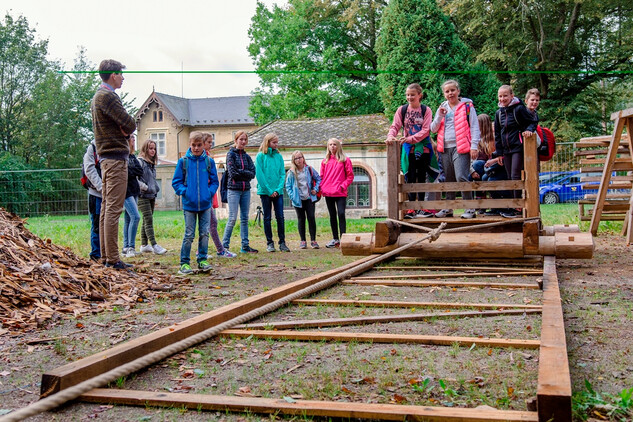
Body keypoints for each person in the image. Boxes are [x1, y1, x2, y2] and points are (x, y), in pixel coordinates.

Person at [91, 59, 136, 269]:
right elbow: (130, 123)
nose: (123, 78)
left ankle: (106, 256)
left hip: (107, 159)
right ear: (112, 75)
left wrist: (124, 128)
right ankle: (113, 259)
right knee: (114, 209)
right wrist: (125, 129)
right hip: (115, 158)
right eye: (120, 74)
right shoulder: (108, 97)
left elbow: (125, 125)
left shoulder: (98, 96)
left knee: (107, 207)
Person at [430, 79, 481, 219]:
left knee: (461, 177)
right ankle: (448, 209)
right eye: (447, 91)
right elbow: (433, 129)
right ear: (444, 94)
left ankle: (470, 209)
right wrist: (440, 115)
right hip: (444, 148)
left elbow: (475, 127)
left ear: (458, 91)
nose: (450, 93)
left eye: (453, 90)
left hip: (461, 147)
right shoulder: (442, 107)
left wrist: (474, 146)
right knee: (448, 179)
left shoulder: (467, 107)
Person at [386, 83, 434, 218]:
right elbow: (395, 125)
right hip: (409, 149)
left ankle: (422, 207)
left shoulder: (426, 110)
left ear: (420, 95)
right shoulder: (402, 110)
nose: (409, 97)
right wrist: (391, 136)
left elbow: (426, 130)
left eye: (412, 94)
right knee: (410, 176)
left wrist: (411, 138)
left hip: (423, 148)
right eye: (407, 94)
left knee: (422, 176)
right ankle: (412, 208)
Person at [172, 131, 217, 274]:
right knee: (189, 234)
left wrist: (208, 192)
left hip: (205, 204)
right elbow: (176, 182)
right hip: (189, 205)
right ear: (189, 144)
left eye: (199, 145)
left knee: (204, 233)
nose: (196, 148)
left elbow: (215, 181)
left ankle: (202, 260)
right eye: (193, 145)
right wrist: (185, 192)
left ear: (203, 145)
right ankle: (184, 263)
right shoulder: (183, 162)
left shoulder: (209, 162)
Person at [495, 84, 538, 218]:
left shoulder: (519, 108)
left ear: (512, 96)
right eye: (500, 96)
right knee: (509, 176)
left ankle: (518, 207)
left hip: (518, 147)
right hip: (506, 149)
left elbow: (533, 120)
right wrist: (499, 153)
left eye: (505, 96)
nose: (502, 99)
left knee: (515, 175)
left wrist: (529, 130)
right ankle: (513, 205)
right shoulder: (499, 112)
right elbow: (497, 133)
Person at [222, 131, 258, 253]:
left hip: (245, 191)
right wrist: (244, 172)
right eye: (241, 139)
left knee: (244, 218)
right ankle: (224, 246)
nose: (243, 142)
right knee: (232, 218)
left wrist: (241, 172)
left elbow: (253, 173)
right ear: (236, 140)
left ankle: (245, 245)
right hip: (233, 190)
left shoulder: (247, 157)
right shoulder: (230, 155)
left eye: (245, 140)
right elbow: (232, 173)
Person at [202, 132, 236, 258]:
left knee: (210, 223)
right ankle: (217, 250)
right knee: (210, 223)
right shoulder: (202, 158)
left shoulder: (208, 157)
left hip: (209, 194)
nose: (211, 144)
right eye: (209, 142)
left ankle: (217, 249)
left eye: (212, 142)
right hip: (204, 195)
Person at [256, 133, 290, 252]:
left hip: (278, 192)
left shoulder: (279, 157)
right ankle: (270, 243)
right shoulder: (260, 156)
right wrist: (269, 191)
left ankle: (282, 242)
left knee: (280, 216)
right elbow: (260, 175)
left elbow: (282, 174)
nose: (276, 145)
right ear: (268, 142)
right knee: (267, 217)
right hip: (265, 192)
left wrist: (278, 189)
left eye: (277, 142)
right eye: (274, 142)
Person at [469, 114, 508, 216]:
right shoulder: (476, 139)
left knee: (480, 169)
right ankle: (477, 204)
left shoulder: (493, 139)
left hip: (493, 166)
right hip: (481, 167)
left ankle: (483, 204)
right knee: (474, 171)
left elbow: (494, 156)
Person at [320, 138, 354, 248]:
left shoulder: (345, 160)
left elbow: (350, 176)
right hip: (328, 192)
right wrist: (322, 188)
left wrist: (342, 186)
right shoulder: (324, 161)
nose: (332, 146)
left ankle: (343, 237)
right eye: (330, 144)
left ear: (338, 146)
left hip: (340, 192)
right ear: (328, 146)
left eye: (334, 144)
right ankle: (335, 239)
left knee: (341, 213)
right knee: (332, 215)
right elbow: (321, 176)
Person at [285, 150, 321, 249]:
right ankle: (303, 241)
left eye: (300, 157)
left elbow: (318, 179)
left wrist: (316, 189)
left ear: (303, 158)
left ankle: (313, 240)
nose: (299, 160)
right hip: (298, 200)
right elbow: (288, 186)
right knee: (301, 219)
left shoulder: (309, 169)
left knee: (311, 218)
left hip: (309, 198)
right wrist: (292, 197)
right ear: (294, 160)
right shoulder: (292, 172)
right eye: (296, 158)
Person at [137, 139, 167, 255]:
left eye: (154, 148)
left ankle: (144, 245)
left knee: (146, 219)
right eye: (150, 148)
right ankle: (154, 245)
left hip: (152, 195)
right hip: (143, 195)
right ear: (145, 149)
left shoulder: (151, 164)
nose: (153, 151)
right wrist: (145, 187)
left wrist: (154, 189)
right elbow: (136, 180)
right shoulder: (140, 162)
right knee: (148, 219)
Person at [122, 135, 143, 258]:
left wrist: (131, 171)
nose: (134, 141)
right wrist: (131, 171)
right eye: (132, 138)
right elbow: (124, 172)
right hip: (125, 191)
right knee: (136, 217)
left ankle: (126, 247)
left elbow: (139, 171)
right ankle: (130, 246)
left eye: (135, 138)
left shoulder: (132, 156)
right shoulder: (123, 157)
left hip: (134, 190)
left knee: (128, 219)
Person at [83, 140, 102, 262]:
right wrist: (101, 187)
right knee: (96, 223)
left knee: (105, 223)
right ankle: (96, 254)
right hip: (96, 194)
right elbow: (89, 169)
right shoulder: (92, 148)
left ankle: (104, 252)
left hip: (108, 194)